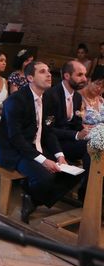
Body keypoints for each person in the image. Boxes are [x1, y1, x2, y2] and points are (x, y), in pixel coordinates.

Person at [0, 61, 82, 223]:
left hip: (36, 147)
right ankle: (33, 192)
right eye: (42, 72)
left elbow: (48, 130)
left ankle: (32, 198)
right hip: (15, 151)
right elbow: (16, 138)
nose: (49, 74)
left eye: (49, 71)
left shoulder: (47, 99)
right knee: (45, 177)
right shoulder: (16, 101)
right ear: (30, 78)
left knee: (75, 174)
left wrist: (59, 155)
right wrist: (43, 160)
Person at [43, 60, 90, 199]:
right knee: (90, 148)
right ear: (67, 76)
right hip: (51, 142)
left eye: (85, 75)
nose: (85, 79)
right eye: (80, 75)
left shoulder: (77, 96)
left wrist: (86, 132)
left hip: (68, 140)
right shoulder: (51, 95)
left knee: (95, 147)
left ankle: (87, 190)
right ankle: (85, 193)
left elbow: (76, 123)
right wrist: (76, 135)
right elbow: (48, 129)